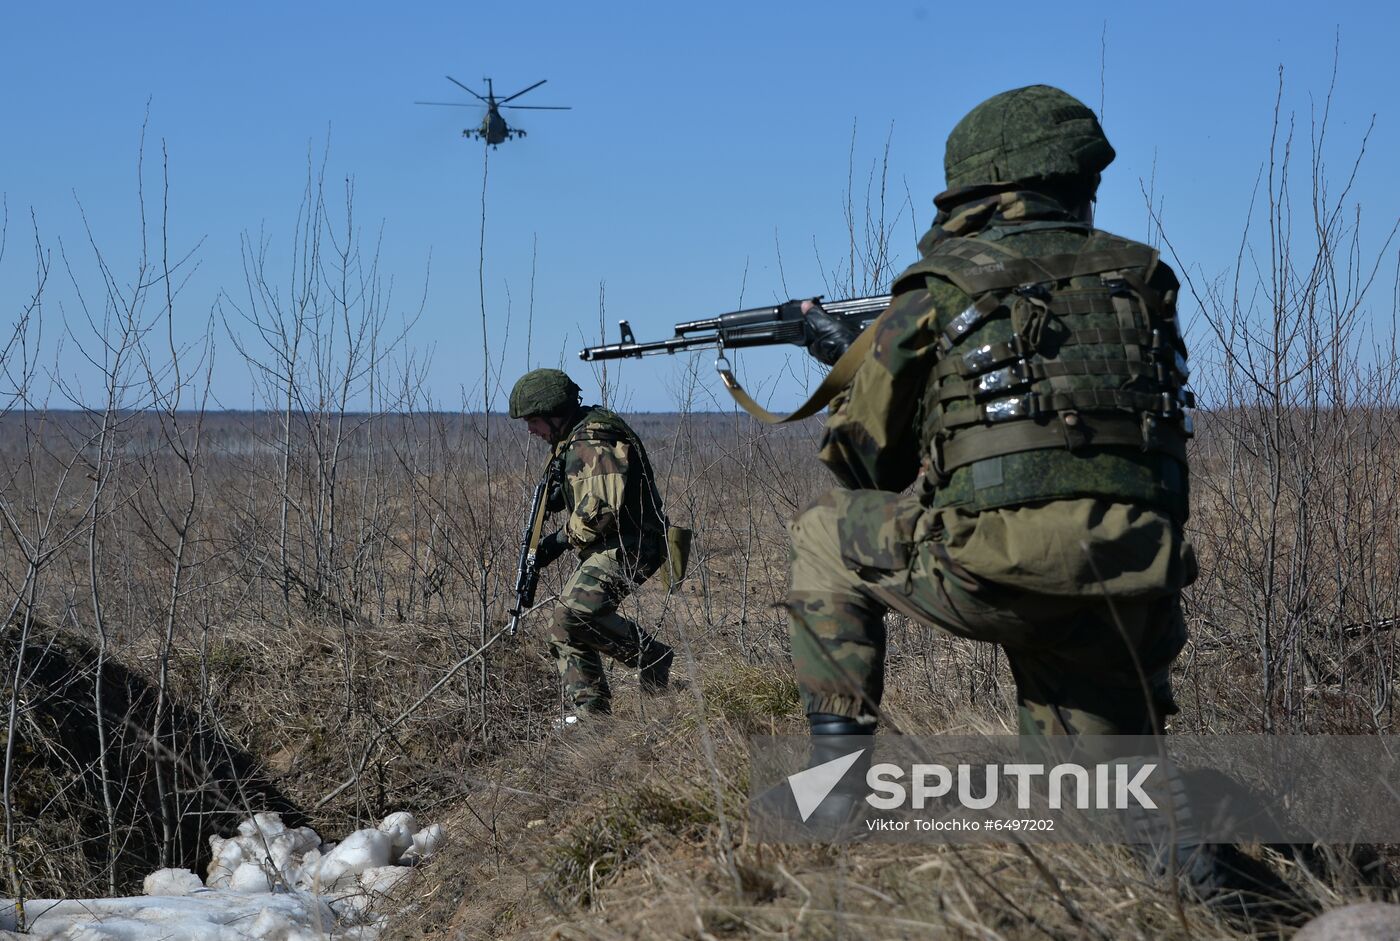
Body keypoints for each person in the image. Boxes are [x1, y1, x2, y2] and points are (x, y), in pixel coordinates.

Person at [507, 368, 674, 722]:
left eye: (533, 421)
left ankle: (651, 656)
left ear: (555, 413)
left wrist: (559, 540)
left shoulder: (593, 440)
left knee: (573, 612)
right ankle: (593, 719)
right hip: (613, 545)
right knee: (564, 627)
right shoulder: (570, 440)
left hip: (636, 544)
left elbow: (601, 510)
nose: (529, 430)